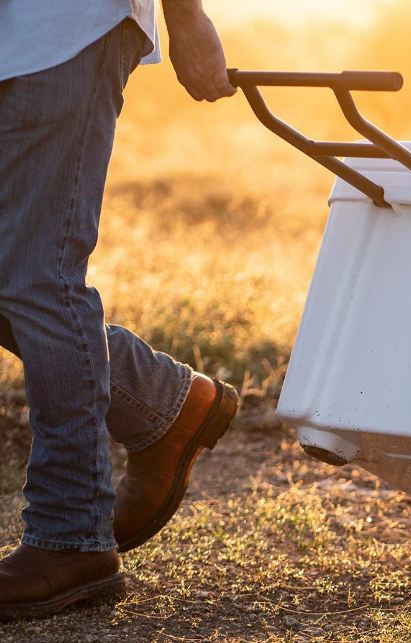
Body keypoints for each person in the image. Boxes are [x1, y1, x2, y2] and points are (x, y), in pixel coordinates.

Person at [0, 0, 238, 619]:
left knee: (38, 276)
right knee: (22, 277)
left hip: (56, 32)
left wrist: (186, 17)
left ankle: (70, 535)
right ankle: (163, 402)